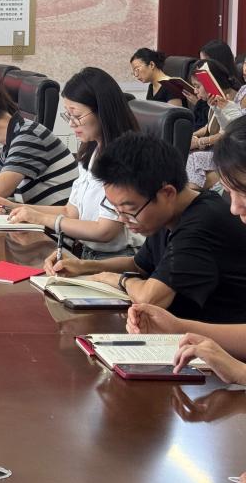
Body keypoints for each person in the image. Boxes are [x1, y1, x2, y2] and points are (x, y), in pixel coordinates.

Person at [49, 132, 246, 323]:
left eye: (129, 210)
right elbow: (139, 265)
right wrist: (83, 266)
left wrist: (111, 278)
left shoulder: (203, 223)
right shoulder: (166, 214)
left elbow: (149, 298)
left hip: (216, 340)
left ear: (167, 193)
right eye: (116, 210)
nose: (123, 219)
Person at [124, 116, 246, 383]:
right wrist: (178, 327)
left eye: (243, 192)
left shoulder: (204, 218)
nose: (235, 208)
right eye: (229, 192)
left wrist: (239, 371)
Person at [1, 68, 139, 260]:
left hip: (118, 259)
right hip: (86, 253)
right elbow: (70, 211)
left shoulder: (125, 157)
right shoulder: (92, 150)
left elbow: (104, 231)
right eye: (68, 115)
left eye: (77, 115)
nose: (71, 124)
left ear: (103, 111)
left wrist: (40, 218)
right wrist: (15, 207)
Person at [186, 59, 245, 189]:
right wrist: (217, 109)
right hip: (224, 150)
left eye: (197, 86)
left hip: (234, 153)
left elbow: (237, 130)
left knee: (193, 160)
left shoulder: (240, 97)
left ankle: (193, 194)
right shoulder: (218, 101)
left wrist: (200, 142)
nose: (195, 91)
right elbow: (224, 128)